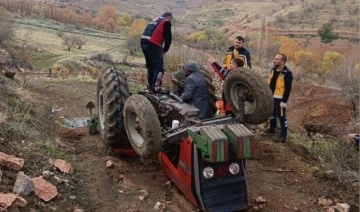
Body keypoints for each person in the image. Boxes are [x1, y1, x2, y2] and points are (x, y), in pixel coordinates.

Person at [140, 12, 173, 93]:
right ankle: (156, 88)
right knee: (159, 68)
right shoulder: (166, 21)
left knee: (151, 66)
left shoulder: (155, 19)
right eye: (171, 19)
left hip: (143, 42)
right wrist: (165, 49)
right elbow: (168, 37)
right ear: (169, 17)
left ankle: (150, 86)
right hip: (152, 44)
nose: (171, 21)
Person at [266, 53, 293, 143]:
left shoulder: (287, 73)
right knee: (272, 114)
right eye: (274, 58)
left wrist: (284, 101)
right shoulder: (273, 70)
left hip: (280, 99)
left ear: (282, 61)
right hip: (271, 97)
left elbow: (288, 89)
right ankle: (272, 129)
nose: (274, 60)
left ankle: (283, 136)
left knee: (282, 117)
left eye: (277, 59)